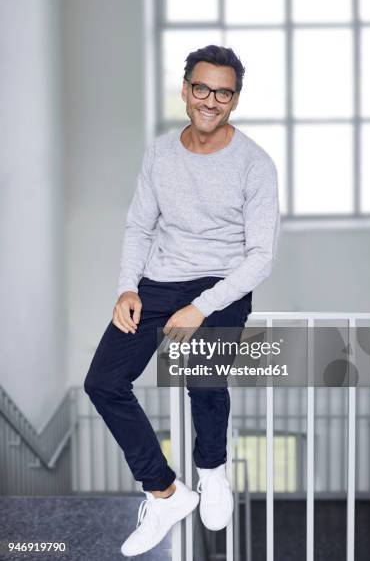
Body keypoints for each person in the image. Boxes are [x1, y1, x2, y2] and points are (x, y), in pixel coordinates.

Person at [84, 44, 281, 557]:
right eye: (201, 88)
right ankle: (165, 491)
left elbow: (260, 256)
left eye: (223, 92)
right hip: (158, 281)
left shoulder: (255, 165)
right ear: (185, 90)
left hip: (222, 282)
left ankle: (212, 470)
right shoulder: (160, 153)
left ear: (235, 100)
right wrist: (128, 286)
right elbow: (139, 225)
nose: (210, 100)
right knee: (103, 381)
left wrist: (202, 307)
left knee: (203, 377)